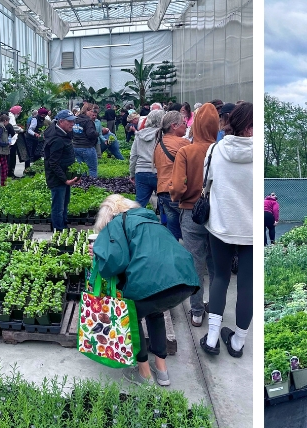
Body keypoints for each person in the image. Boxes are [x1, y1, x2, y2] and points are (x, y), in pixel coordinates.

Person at [91, 194, 199, 386]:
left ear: (107, 216)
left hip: (154, 283)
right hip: (184, 282)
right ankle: (162, 370)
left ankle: (144, 373)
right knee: (155, 311)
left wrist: (99, 253)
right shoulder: (151, 220)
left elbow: (113, 265)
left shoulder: (118, 223)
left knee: (132, 316)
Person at [199, 102, 252, 359]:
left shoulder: (215, 150)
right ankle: (238, 343)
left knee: (220, 278)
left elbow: (205, 183)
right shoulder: (258, 155)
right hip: (251, 232)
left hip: (221, 226)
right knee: (247, 286)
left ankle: (211, 338)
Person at [169, 103, 219, 327]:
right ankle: (217, 307)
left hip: (192, 212)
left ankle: (197, 311)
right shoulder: (221, 151)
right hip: (218, 214)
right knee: (216, 264)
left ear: (195, 125)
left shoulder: (186, 151)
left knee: (195, 263)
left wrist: (175, 195)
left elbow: (178, 186)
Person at [153, 111, 189, 241]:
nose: (186, 126)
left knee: (172, 233)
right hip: (177, 192)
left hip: (163, 192)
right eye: (184, 123)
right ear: (174, 126)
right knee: (189, 233)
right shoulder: (182, 143)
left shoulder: (159, 143)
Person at [44, 110, 80, 231]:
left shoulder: (63, 133)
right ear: (61, 121)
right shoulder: (57, 139)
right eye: (69, 121)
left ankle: (64, 226)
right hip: (58, 179)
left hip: (64, 176)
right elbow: (52, 163)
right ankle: (58, 230)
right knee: (58, 206)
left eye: (73, 121)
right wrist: (65, 180)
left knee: (64, 203)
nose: (72, 124)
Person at [130, 110, 166, 209]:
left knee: (139, 204)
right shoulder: (163, 135)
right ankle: (163, 223)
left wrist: (132, 173)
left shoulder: (139, 134)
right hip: (158, 173)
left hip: (141, 172)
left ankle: (135, 222)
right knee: (164, 202)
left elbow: (133, 156)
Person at [72, 103, 100, 178]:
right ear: (87, 111)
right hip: (87, 147)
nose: (93, 113)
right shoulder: (88, 121)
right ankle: (93, 187)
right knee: (92, 169)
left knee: (81, 169)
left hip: (76, 147)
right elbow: (90, 133)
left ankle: (83, 186)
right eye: (91, 111)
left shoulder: (75, 120)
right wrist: (97, 134)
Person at [0, 114, 12, 187]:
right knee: (4, 168)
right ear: (5, 121)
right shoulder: (1, 128)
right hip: (1, 151)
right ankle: (3, 184)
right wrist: (6, 143)